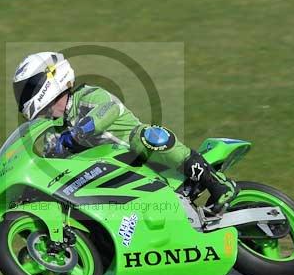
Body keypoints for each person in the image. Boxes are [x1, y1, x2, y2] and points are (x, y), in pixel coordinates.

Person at [12, 51, 236, 215]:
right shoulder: (54, 131)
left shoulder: (88, 95)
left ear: (49, 79)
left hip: (140, 156)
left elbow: (107, 110)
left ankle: (218, 184)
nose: (23, 98)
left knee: (148, 136)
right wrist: (32, 191)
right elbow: (50, 166)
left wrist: (76, 134)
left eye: (27, 89)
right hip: (113, 177)